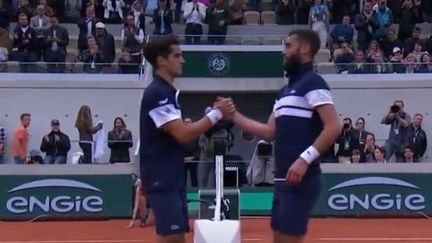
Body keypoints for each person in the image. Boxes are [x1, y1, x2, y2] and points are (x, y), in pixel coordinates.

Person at [222, 29, 341, 243]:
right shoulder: (285, 92)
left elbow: (333, 126)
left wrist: (304, 159)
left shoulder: (313, 83)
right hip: (282, 180)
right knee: (278, 237)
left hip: (302, 180)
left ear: (304, 49)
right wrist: (234, 115)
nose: (283, 52)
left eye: (288, 46)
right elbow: (270, 132)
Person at [139, 35, 233, 243]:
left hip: (169, 172)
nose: (182, 60)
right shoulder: (158, 92)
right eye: (177, 55)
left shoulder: (166, 92)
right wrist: (216, 114)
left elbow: (178, 132)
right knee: (172, 236)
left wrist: (190, 124)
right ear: (162, 60)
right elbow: (182, 135)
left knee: (176, 235)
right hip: (161, 173)